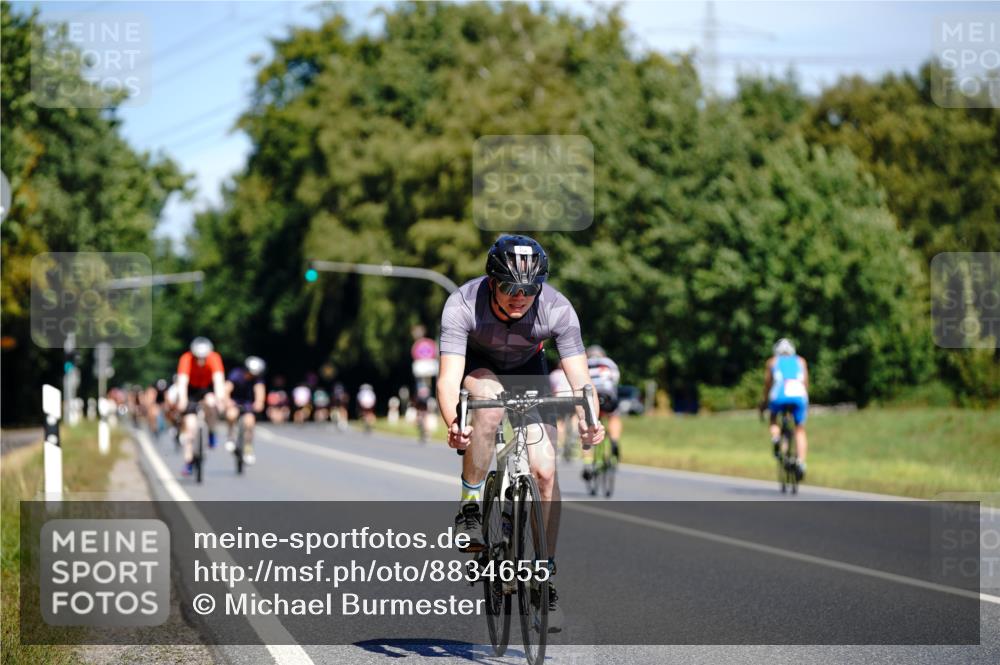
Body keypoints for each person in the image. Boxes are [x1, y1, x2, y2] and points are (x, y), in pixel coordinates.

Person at [436, 234, 604, 631]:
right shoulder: (462, 304)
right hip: (479, 369)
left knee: (545, 471)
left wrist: (590, 419)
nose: (520, 297)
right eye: (510, 287)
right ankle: (471, 506)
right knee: (490, 407)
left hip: (531, 373)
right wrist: (454, 423)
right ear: (492, 281)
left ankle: (543, 577)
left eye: (529, 289)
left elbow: (582, 380)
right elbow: (448, 378)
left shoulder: (558, 309)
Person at [176, 337, 225, 475]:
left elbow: (218, 380)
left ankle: (211, 431)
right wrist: (183, 400)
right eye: (198, 357)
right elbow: (182, 382)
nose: (201, 360)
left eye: (204, 357)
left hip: (207, 388)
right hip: (191, 390)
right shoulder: (186, 358)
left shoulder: (214, 358)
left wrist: (220, 399)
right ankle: (188, 461)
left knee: (211, 403)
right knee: (190, 427)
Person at [761, 338, 809, 480]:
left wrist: (764, 403)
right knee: (799, 428)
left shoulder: (772, 362)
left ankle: (776, 437)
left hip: (779, 395)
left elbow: (768, 385)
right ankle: (800, 461)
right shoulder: (801, 361)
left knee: (773, 417)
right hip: (799, 395)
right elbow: (805, 383)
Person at [582, 344, 623, 481]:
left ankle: (587, 464)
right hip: (607, 394)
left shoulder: (584, 363)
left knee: (587, 426)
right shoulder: (609, 362)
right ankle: (614, 441)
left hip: (592, 396)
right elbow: (615, 380)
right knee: (614, 416)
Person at [224, 356, 267, 465]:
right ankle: (230, 437)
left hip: (248, 403)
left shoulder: (257, 379)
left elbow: (259, 390)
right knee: (231, 415)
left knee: (250, 423)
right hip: (235, 401)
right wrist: (227, 400)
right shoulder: (236, 374)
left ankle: (248, 450)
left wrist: (259, 402)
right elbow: (228, 387)